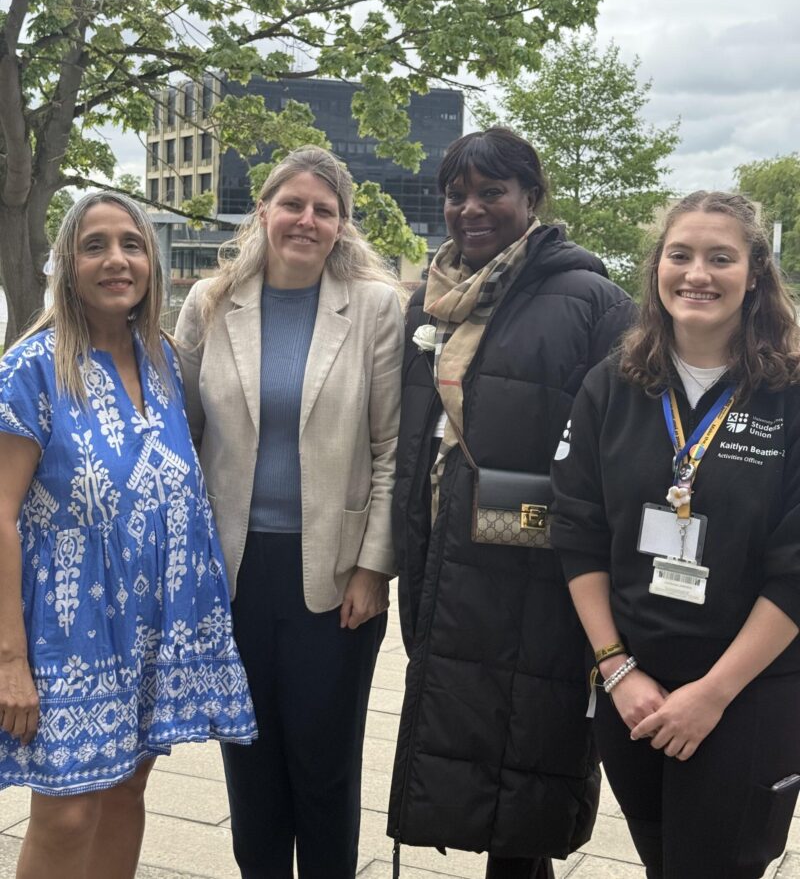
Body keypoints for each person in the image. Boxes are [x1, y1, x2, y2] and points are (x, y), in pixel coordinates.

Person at [387, 128, 636, 878]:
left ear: (531, 197)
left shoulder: (593, 301)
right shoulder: (430, 300)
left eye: (491, 192)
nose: (471, 208)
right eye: (457, 194)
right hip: (443, 565)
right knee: (462, 754)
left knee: (525, 765)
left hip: (538, 578)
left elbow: (616, 453)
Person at [0, 192, 256, 879]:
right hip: (64, 632)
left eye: (132, 244)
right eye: (95, 245)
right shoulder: (32, 368)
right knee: (67, 813)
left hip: (146, 631)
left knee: (126, 789)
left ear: (152, 263)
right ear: (67, 265)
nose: (116, 260)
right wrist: (8, 659)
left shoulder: (163, 361)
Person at [550, 190, 800, 878]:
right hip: (634, 688)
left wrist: (713, 693)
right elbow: (578, 533)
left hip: (747, 694)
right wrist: (616, 668)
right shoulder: (613, 385)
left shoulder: (789, 394)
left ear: (755, 273)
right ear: (656, 266)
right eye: (680, 254)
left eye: (721, 258)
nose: (697, 274)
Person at [174, 145, 404, 879]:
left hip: (334, 576)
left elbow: (391, 447)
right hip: (234, 573)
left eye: (324, 210)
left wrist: (373, 566)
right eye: (293, 204)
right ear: (264, 211)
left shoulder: (375, 307)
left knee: (325, 766)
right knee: (248, 761)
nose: (307, 220)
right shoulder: (210, 303)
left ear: (341, 224)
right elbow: (182, 437)